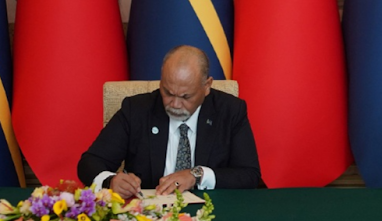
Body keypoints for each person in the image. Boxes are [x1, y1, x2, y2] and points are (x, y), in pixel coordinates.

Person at [78, 45, 261, 198]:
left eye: (185, 96)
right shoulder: (137, 110)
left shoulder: (230, 111)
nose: (174, 104)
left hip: (214, 213)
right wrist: (111, 181)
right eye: (167, 92)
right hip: (150, 217)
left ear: (206, 86)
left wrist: (197, 175)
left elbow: (249, 175)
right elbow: (90, 162)